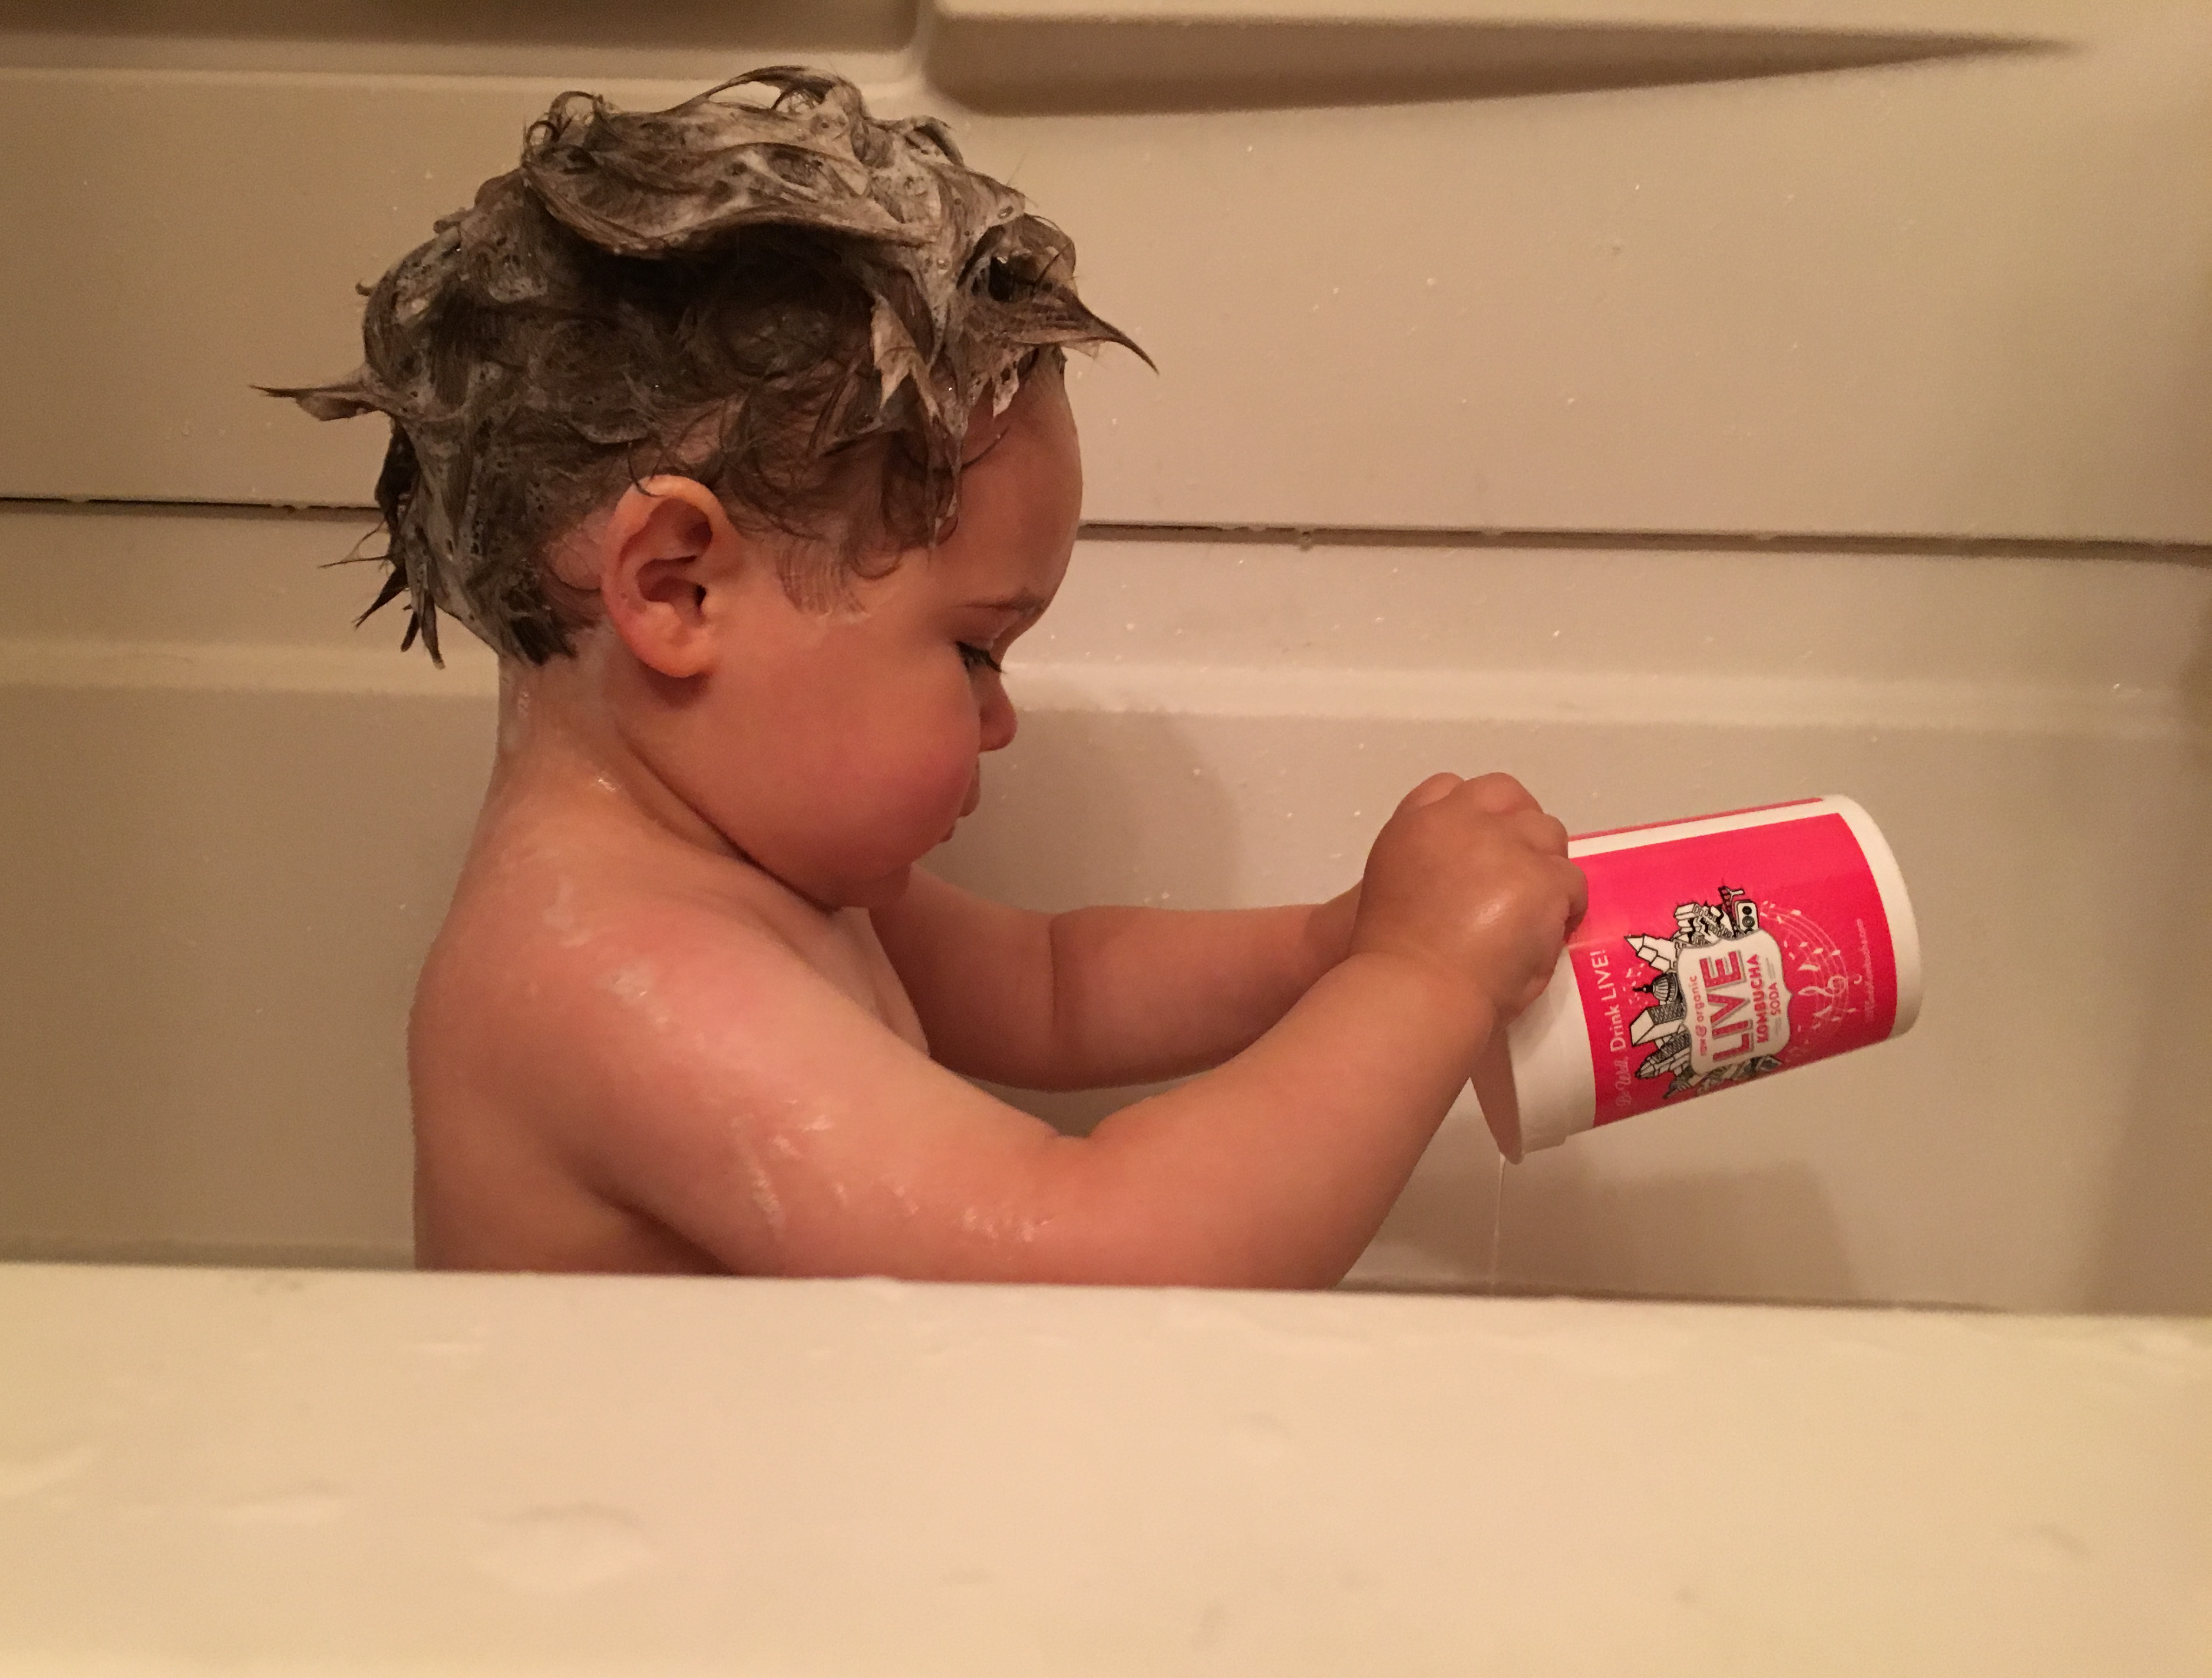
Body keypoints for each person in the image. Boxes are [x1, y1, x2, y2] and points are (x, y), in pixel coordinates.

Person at [272, 69, 1584, 1285]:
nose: (1000, 719)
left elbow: (1057, 989)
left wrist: (1329, 946)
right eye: (972, 651)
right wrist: (1422, 983)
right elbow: (1098, 1257)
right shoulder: (621, 984)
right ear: (677, 588)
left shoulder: (756, 878)